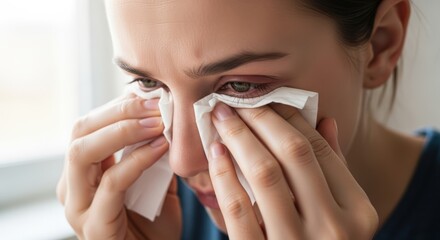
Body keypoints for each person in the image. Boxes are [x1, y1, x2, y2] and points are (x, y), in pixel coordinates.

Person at [56, 0, 440, 239]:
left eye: (240, 86)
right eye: (147, 81)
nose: (183, 163)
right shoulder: (152, 214)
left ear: (381, 45)